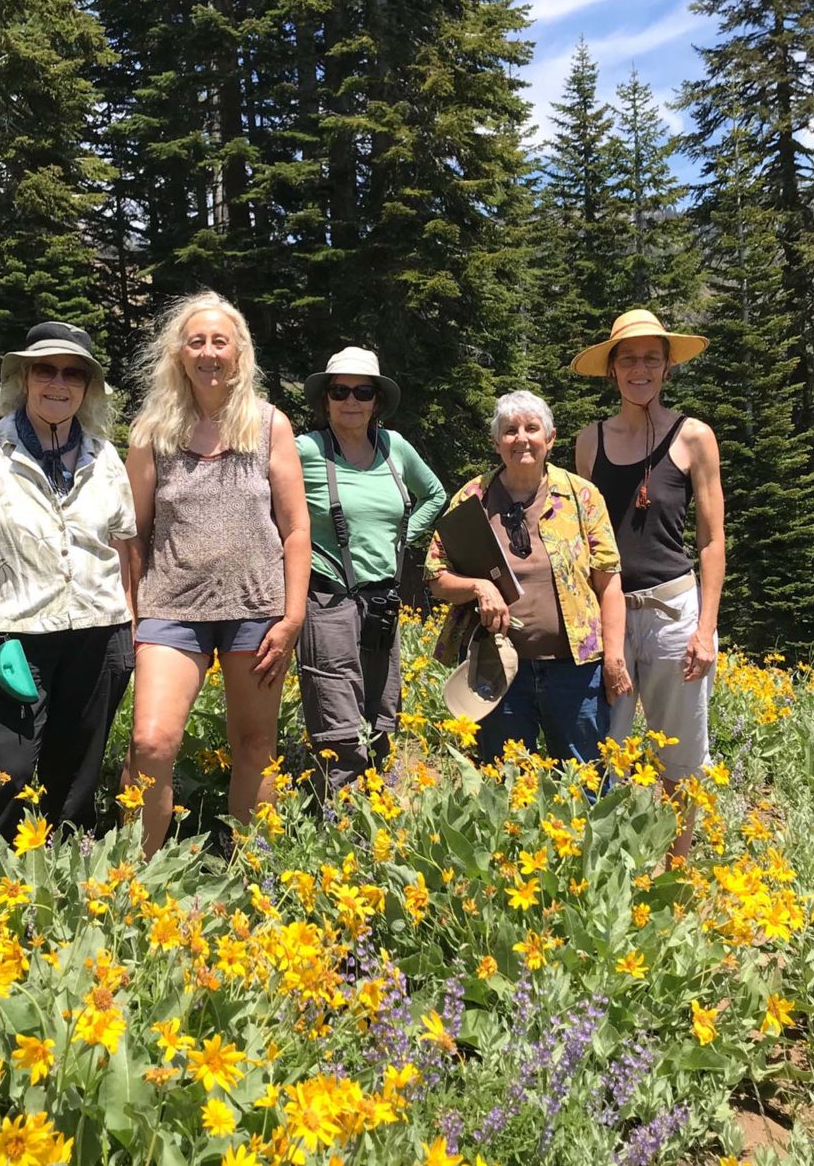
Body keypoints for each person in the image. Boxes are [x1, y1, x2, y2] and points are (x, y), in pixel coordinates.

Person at [0, 321, 137, 841]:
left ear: (88, 388)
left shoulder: (105, 456)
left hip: (97, 632)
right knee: (5, 769)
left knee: (77, 772)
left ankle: (68, 876)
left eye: (73, 373)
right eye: (46, 369)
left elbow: (124, 545)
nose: (58, 383)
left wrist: (130, 630)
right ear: (24, 377)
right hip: (6, 633)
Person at [124, 291, 310, 856]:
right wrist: (130, 616)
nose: (208, 352)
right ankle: (138, 875)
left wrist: (293, 615)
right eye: (196, 341)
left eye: (219, 341)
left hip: (257, 611)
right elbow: (131, 533)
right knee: (151, 743)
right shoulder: (151, 432)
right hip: (169, 610)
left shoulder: (270, 425)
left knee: (256, 745)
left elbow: (296, 529)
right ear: (179, 354)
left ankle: (255, 872)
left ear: (240, 352)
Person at [572, 309, 725, 859]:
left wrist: (705, 629)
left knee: (680, 757)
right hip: (607, 616)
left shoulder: (695, 437)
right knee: (599, 748)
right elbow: (583, 539)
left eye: (652, 359)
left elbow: (711, 540)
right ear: (612, 370)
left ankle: (676, 868)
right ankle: (602, 866)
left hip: (672, 612)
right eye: (629, 359)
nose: (641, 369)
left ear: (666, 367)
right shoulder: (589, 442)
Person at [426, 390, 631, 767]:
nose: (521, 438)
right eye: (510, 430)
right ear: (495, 441)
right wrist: (479, 586)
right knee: (504, 779)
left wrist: (614, 658)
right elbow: (436, 576)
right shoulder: (473, 497)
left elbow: (609, 582)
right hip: (499, 666)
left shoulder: (582, 496)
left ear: (550, 439)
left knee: (583, 780)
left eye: (532, 428)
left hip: (576, 668)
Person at [297, 348, 446, 796]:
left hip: (383, 602)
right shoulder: (306, 451)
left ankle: (377, 813)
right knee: (338, 726)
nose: (351, 400)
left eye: (363, 391)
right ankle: (340, 830)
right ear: (326, 399)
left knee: (383, 716)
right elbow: (273, 509)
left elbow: (434, 495)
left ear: (376, 400)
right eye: (340, 391)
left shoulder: (394, 446)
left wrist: (403, 539)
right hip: (328, 601)